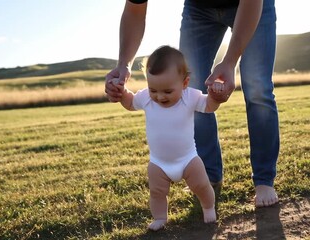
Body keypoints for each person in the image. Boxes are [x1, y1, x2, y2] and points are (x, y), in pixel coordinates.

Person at [105, 0, 280, 207]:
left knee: (257, 88)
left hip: (252, 4)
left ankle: (264, 180)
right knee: (189, 87)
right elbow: (135, 11)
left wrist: (230, 61)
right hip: (198, 9)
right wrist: (123, 64)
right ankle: (208, 175)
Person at [112, 45, 225, 230]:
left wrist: (216, 96)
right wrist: (121, 93)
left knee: (202, 186)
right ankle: (160, 218)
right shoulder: (146, 98)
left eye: (167, 91)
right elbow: (131, 103)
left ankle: (208, 207)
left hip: (188, 158)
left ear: (185, 83)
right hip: (158, 162)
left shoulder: (189, 97)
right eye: (153, 89)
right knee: (156, 192)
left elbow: (209, 106)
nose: (159, 96)